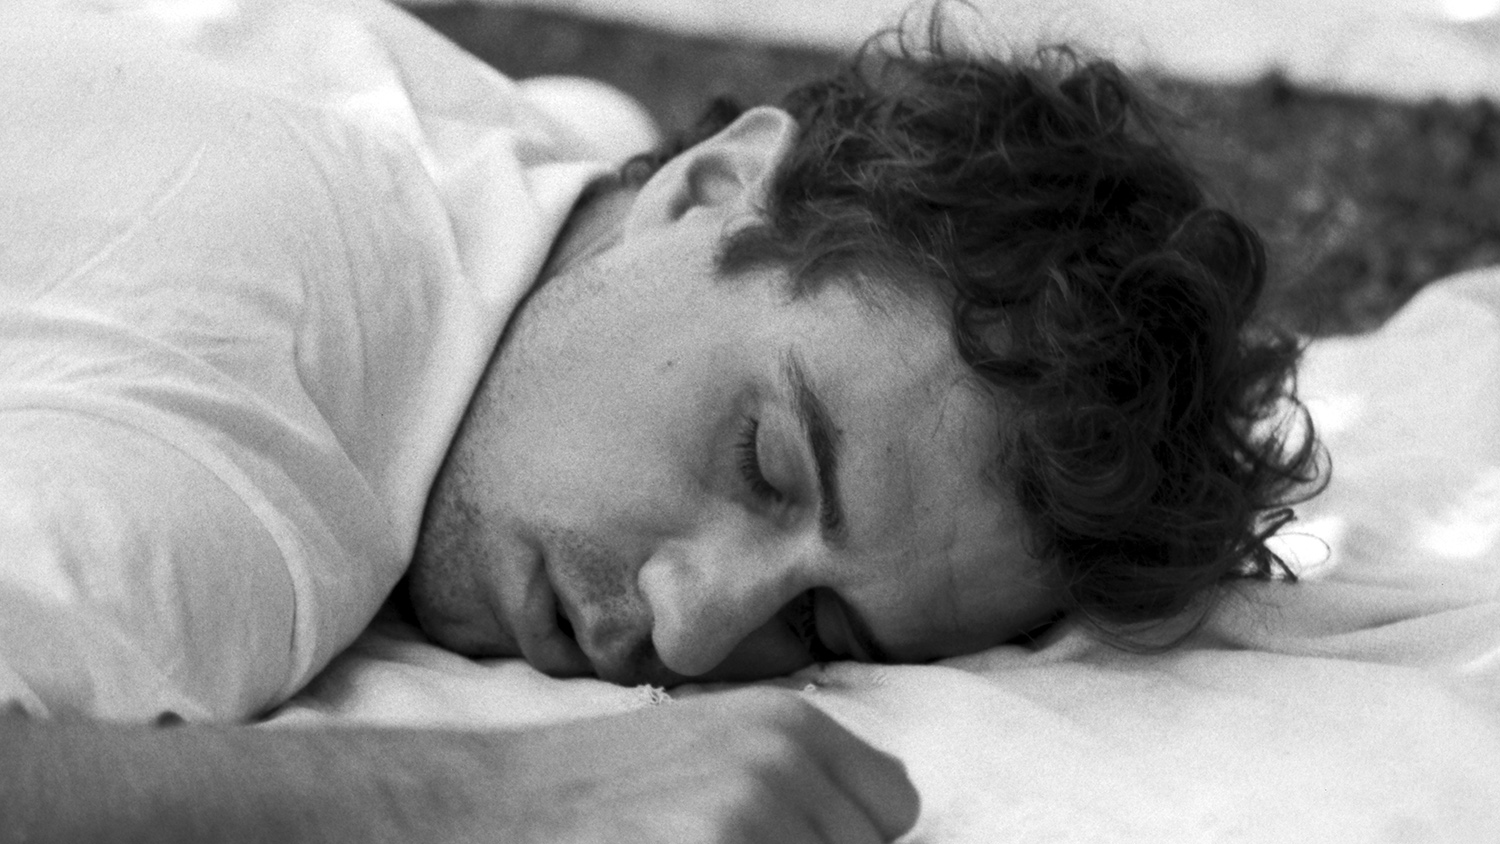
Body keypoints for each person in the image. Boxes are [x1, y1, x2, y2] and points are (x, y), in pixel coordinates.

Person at [0, 0, 1319, 839]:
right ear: (712, 187)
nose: (689, 629)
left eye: (819, 628)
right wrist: (509, 799)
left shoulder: (512, 165)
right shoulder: (237, 460)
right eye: (766, 463)